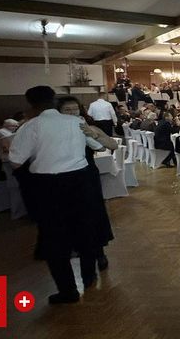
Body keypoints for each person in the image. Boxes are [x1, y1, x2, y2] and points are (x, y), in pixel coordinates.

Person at [8, 86, 106, 304]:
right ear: (53, 100)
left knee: (54, 238)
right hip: (80, 183)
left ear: (30, 104)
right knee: (85, 230)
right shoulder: (75, 122)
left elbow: (15, 161)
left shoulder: (31, 126)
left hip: (48, 188)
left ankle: (68, 290)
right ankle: (89, 277)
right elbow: (98, 145)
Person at [56, 96, 117, 275]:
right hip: (62, 178)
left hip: (86, 175)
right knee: (69, 216)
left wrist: (93, 133)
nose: (72, 112)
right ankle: (74, 249)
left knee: (93, 214)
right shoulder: (55, 131)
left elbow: (112, 145)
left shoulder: (87, 126)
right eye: (67, 110)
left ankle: (99, 252)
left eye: (75, 109)